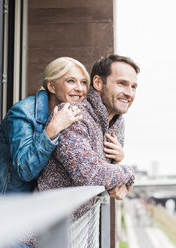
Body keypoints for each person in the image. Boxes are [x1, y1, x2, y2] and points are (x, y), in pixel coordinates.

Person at [0, 57, 93, 197]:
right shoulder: (23, 113)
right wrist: (51, 131)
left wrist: (117, 157)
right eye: (71, 81)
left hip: (29, 207)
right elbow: (24, 170)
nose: (80, 89)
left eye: (83, 82)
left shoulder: (72, 114)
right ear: (51, 86)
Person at [37, 54, 140, 210]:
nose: (129, 93)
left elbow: (108, 174)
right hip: (47, 228)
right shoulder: (72, 115)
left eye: (133, 87)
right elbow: (89, 173)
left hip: (79, 228)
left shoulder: (116, 123)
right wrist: (129, 174)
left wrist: (120, 178)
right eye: (122, 84)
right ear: (98, 83)